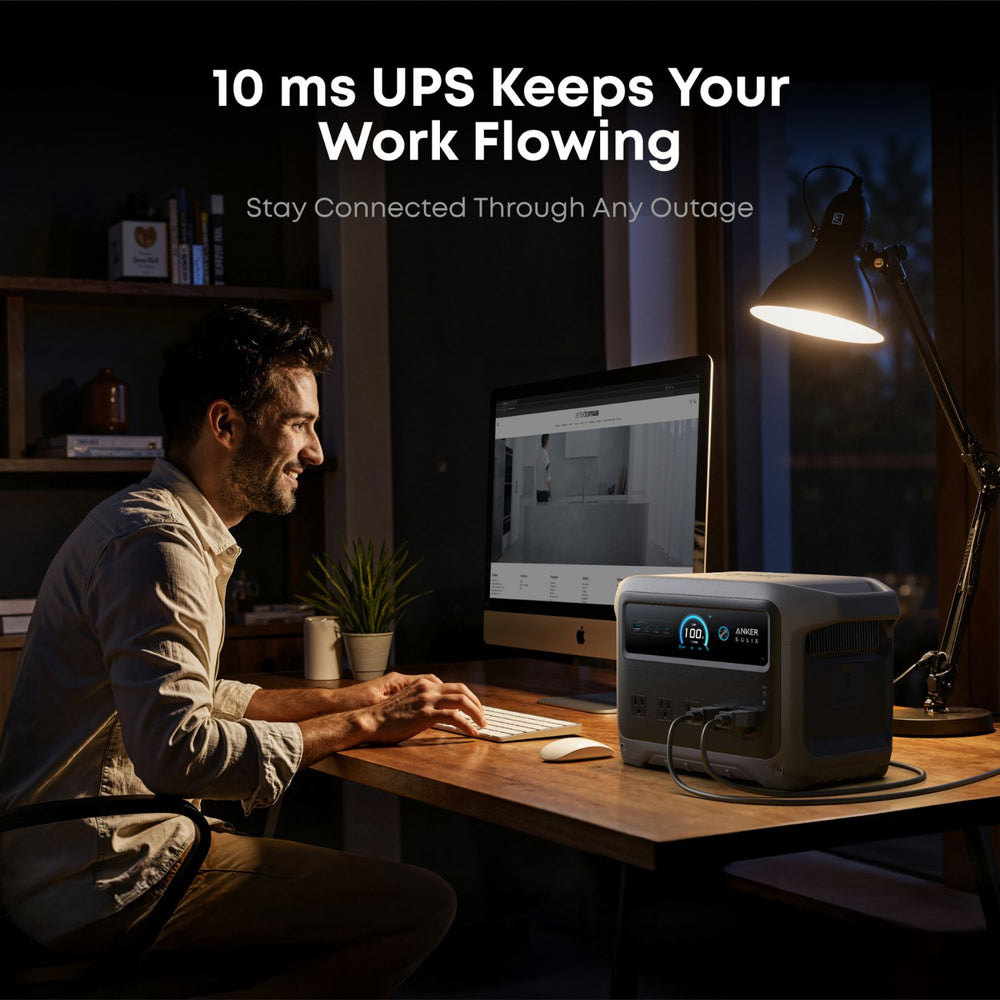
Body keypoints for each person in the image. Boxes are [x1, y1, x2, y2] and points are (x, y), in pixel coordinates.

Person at [0, 306, 486, 997]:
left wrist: (353, 697)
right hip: (103, 875)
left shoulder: (152, 527)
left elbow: (195, 697)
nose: (316, 452)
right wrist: (363, 726)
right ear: (226, 425)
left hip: (62, 862)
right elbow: (178, 749)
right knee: (421, 907)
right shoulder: (157, 549)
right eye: (300, 424)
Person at [535, 433, 552, 502]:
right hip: (544, 492)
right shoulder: (546, 456)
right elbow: (547, 477)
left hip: (538, 492)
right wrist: (550, 493)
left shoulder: (538, 455)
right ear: (547, 441)